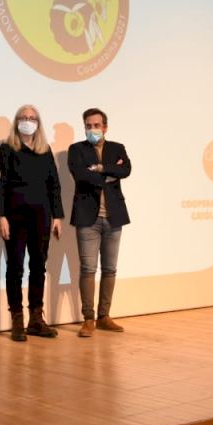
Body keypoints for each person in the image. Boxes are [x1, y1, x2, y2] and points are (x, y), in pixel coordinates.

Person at [0, 105, 64, 342]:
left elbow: (54, 184)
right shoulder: (6, 149)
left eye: (32, 118)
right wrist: (0, 216)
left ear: (38, 123)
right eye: (23, 117)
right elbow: (0, 185)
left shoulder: (45, 150)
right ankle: (17, 319)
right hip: (14, 217)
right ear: (16, 121)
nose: (27, 121)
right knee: (15, 267)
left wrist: (57, 216)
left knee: (39, 266)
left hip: (42, 215)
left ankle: (36, 319)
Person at [67, 107, 131, 338]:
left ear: (105, 127)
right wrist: (110, 175)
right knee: (88, 269)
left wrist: (101, 168)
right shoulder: (76, 150)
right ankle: (88, 318)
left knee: (110, 269)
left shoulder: (117, 148)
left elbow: (126, 170)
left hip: (114, 217)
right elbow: (81, 176)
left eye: (96, 125)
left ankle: (104, 317)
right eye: (88, 126)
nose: (92, 129)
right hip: (87, 218)